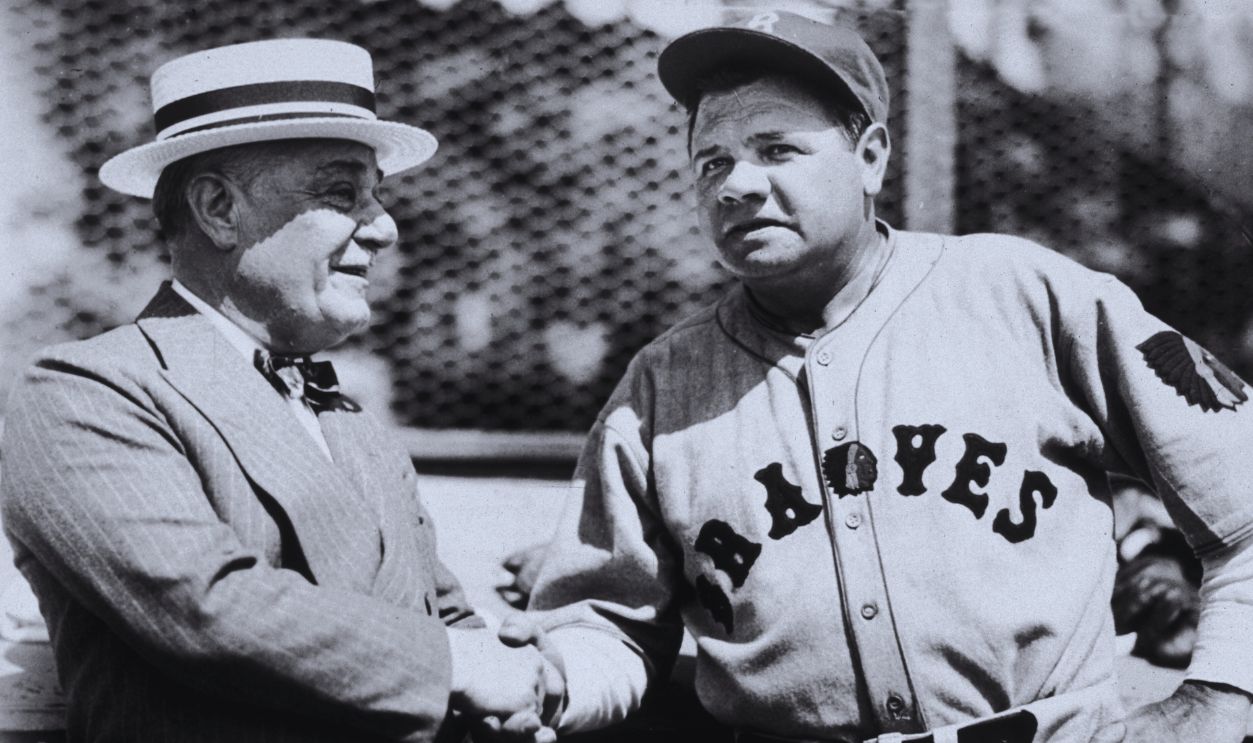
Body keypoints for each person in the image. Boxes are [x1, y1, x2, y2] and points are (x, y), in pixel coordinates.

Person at [517, 11, 1253, 743]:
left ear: (869, 157)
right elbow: (605, 624)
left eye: (776, 149)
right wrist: (548, 685)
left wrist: (1224, 691)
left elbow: (1243, 497)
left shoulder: (1020, 296)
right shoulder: (660, 388)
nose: (736, 184)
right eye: (712, 162)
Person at [1, 38, 556, 742]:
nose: (383, 227)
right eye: (339, 192)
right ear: (218, 209)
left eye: (376, 194)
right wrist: (451, 665)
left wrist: (509, 683)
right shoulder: (87, 392)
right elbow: (204, 606)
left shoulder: (347, 419)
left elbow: (438, 612)